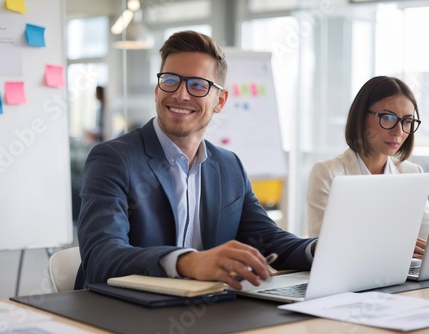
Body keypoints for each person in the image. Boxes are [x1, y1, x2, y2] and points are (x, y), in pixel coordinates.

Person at [76, 30, 317, 291]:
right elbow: (100, 256)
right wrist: (188, 263)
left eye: (198, 85)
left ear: (220, 101)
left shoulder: (228, 166)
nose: (181, 95)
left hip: (211, 309)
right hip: (126, 312)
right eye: (170, 81)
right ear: (157, 90)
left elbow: (268, 240)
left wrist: (321, 250)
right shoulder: (113, 159)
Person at [306, 76, 429, 258]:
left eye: (407, 121)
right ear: (361, 116)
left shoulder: (411, 173)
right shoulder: (327, 173)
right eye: (388, 117)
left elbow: (428, 234)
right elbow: (322, 248)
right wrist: (393, 245)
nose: (398, 131)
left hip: (401, 280)